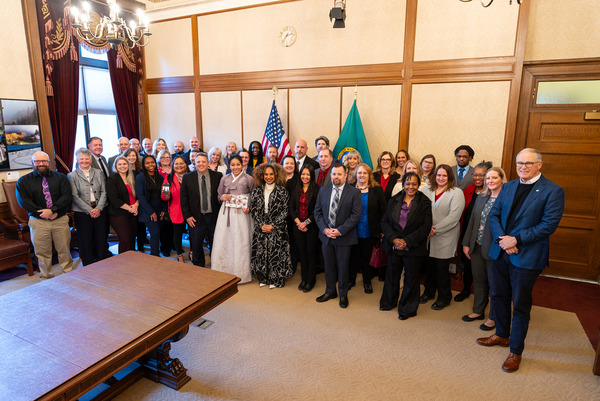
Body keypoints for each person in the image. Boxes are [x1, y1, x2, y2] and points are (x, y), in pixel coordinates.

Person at [477, 148, 564, 373]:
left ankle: (515, 351)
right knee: (497, 295)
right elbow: (494, 215)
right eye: (519, 163)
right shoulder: (508, 187)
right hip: (501, 252)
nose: (522, 167)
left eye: (528, 163)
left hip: (527, 256)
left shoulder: (553, 191)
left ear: (539, 165)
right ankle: (502, 335)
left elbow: (548, 225)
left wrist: (515, 239)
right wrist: (503, 240)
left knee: (521, 305)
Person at [379, 172, 432, 320]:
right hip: (393, 244)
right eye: (408, 184)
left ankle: (407, 308)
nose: (411, 187)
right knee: (391, 275)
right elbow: (384, 222)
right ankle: (388, 302)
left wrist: (406, 241)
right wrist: (395, 239)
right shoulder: (393, 200)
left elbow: (426, 227)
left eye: (414, 184)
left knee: (411, 278)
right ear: (403, 184)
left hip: (414, 246)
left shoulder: (425, 202)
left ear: (418, 185)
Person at [16, 151, 74, 278]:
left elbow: (66, 196)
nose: (41, 164)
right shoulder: (23, 181)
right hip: (38, 221)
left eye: (44, 161)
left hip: (59, 219)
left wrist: (52, 210)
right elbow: (23, 201)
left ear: (49, 162)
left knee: (64, 249)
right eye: (38, 161)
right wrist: (44, 213)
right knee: (42, 252)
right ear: (32, 163)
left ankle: (69, 273)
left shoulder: (61, 177)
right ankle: (46, 276)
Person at [462, 167, 507, 331]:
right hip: (476, 245)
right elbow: (472, 221)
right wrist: (466, 243)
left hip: (494, 248)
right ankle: (478, 311)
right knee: (479, 279)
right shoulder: (482, 197)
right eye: (488, 178)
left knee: (495, 284)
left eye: (494, 178)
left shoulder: (506, 199)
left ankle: (493, 317)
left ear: (502, 179)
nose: (490, 181)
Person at [314, 163, 362, 308]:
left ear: (345, 176)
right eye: (334, 174)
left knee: (343, 267)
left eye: (339, 174)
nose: (336, 177)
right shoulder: (323, 190)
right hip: (326, 236)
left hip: (344, 237)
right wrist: (324, 229)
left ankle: (343, 294)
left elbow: (355, 215)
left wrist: (339, 230)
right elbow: (317, 212)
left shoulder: (354, 192)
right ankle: (330, 291)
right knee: (328, 266)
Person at [420, 164, 465, 311]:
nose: (441, 178)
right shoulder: (425, 189)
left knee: (441, 270)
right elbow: (417, 209)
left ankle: (444, 297)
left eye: (444, 175)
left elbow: (454, 217)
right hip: (426, 237)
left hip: (445, 236)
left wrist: (434, 230)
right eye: (438, 175)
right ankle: (429, 292)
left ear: (450, 177)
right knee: (429, 268)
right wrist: (425, 229)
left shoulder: (456, 192)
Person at [211, 155, 255, 282]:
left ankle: (242, 271)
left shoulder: (248, 179)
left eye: (238, 164)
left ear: (242, 165)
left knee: (242, 240)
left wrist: (249, 206)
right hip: (227, 214)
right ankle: (225, 270)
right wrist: (222, 197)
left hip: (242, 214)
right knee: (226, 239)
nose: (235, 167)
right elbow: (219, 194)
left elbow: (254, 195)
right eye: (233, 165)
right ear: (229, 166)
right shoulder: (224, 178)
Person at [250, 164, 294, 288]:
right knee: (261, 252)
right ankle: (263, 277)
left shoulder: (282, 191)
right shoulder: (257, 190)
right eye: (266, 174)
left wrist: (273, 225)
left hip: (277, 227)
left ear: (276, 175)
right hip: (261, 226)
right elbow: (254, 210)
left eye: (271, 174)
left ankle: (276, 279)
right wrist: (261, 225)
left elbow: (285, 211)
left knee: (276, 252)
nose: (268, 177)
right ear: (262, 176)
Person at [454, 161, 492, 303]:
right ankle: (466, 290)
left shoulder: (492, 192)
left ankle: (483, 295)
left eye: (481, 175)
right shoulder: (469, 189)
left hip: (483, 236)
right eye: (475, 174)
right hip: (466, 232)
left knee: (482, 268)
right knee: (467, 264)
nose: (477, 178)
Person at [68, 148, 109, 266]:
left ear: (90, 160)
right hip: (82, 213)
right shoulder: (72, 175)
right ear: (77, 160)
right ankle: (88, 264)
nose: (84, 161)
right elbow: (74, 196)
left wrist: (98, 208)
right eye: (81, 159)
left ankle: (102, 261)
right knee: (85, 239)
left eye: (87, 158)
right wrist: (90, 210)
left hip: (100, 210)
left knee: (101, 237)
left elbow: (104, 192)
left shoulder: (98, 172)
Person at [180, 152, 222, 267]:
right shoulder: (187, 177)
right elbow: (183, 199)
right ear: (194, 163)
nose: (201, 164)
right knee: (196, 244)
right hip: (195, 217)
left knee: (216, 243)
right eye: (198, 161)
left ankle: (217, 265)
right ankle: (199, 267)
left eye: (204, 161)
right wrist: (187, 216)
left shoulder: (218, 176)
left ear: (208, 163)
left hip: (213, 217)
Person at [349, 163, 386, 293]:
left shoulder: (377, 190)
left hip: (370, 230)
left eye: (365, 173)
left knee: (366, 258)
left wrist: (382, 230)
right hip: (352, 230)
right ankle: (351, 280)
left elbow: (383, 211)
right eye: (359, 173)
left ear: (369, 175)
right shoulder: (349, 189)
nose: (362, 175)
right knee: (352, 257)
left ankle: (367, 281)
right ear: (355, 175)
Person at [289, 164, 320, 292]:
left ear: (311, 176)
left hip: (311, 227)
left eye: (308, 174)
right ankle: (304, 279)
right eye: (303, 174)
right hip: (298, 226)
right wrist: (298, 222)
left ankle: (311, 280)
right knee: (302, 254)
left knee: (311, 253)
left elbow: (317, 210)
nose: (305, 177)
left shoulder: (317, 189)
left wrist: (305, 222)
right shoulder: (297, 188)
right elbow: (291, 207)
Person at [135, 155, 167, 257]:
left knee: (159, 233)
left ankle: (157, 252)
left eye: (152, 162)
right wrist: (151, 212)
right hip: (147, 210)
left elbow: (165, 195)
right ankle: (154, 255)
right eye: (147, 163)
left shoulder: (160, 177)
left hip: (160, 209)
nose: (150, 165)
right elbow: (141, 196)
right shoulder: (140, 177)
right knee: (155, 233)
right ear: (144, 165)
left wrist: (164, 210)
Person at [106, 156, 139, 254]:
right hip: (118, 213)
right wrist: (130, 208)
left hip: (133, 211)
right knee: (125, 238)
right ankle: (123, 262)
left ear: (128, 165)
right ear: (115, 166)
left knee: (132, 237)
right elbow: (114, 199)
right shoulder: (112, 179)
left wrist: (136, 205)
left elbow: (139, 194)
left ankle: (132, 259)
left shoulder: (132, 177)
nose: (122, 166)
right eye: (119, 164)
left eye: (124, 164)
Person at [161, 156, 190, 262]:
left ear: (186, 164)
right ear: (173, 166)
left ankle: (192, 252)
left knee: (192, 232)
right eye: (176, 164)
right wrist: (167, 194)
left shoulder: (191, 175)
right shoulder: (168, 178)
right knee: (177, 233)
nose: (179, 166)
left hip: (191, 209)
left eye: (181, 163)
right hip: (176, 209)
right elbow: (164, 196)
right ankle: (180, 255)